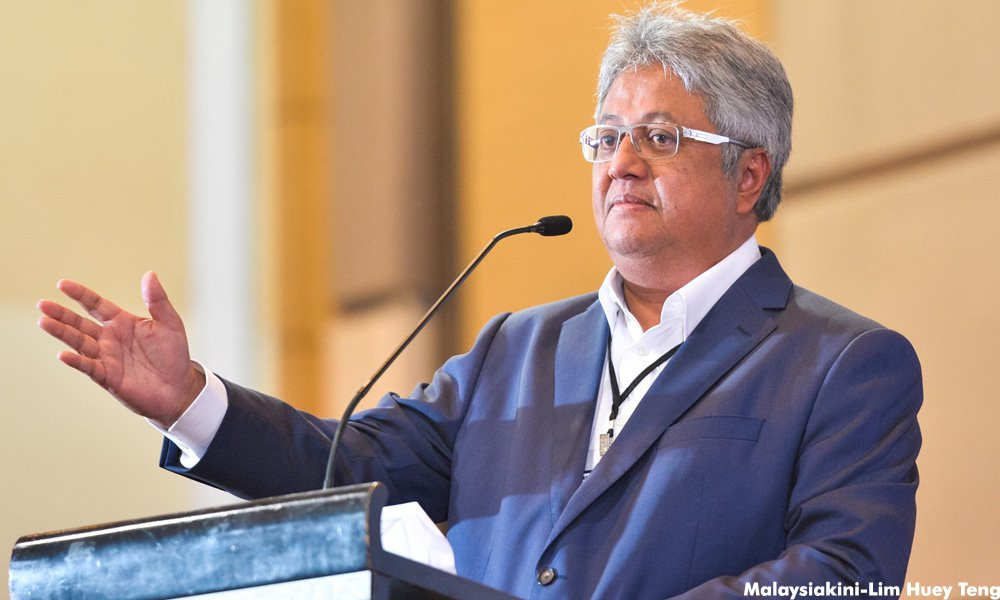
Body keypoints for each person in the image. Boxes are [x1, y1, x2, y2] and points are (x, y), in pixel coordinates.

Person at [37, 3, 921, 599]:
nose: (620, 163)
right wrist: (191, 401)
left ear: (749, 174)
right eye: (607, 137)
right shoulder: (516, 350)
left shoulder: (839, 363)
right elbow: (346, 465)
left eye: (659, 137)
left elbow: (844, 574)